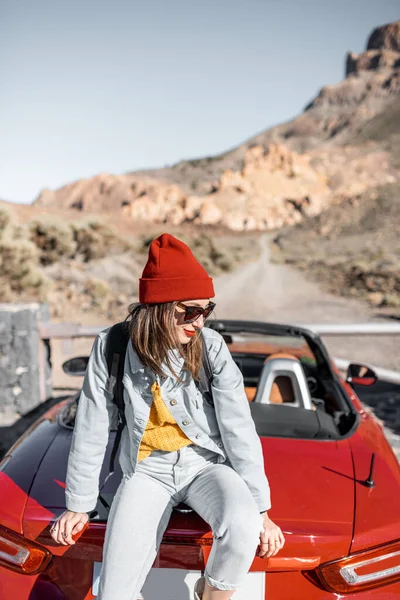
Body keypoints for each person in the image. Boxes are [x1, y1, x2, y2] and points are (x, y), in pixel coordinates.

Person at [50, 233, 285, 600]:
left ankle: (208, 592)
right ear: (159, 307)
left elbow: (239, 427)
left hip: (205, 464)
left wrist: (262, 510)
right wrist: (79, 505)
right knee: (114, 592)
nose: (200, 322)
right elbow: (92, 424)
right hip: (146, 470)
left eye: (207, 310)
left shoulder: (211, 347)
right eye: (190, 311)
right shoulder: (111, 346)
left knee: (243, 526)